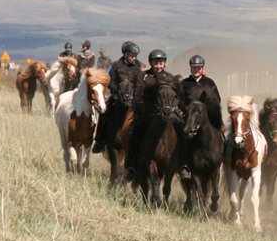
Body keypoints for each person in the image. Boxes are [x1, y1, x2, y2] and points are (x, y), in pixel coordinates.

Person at [124, 49, 179, 180]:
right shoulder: (144, 76)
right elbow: (138, 94)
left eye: (161, 63)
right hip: (146, 113)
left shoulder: (169, 77)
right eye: (155, 63)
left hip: (167, 112)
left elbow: (176, 95)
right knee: (134, 133)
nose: (158, 66)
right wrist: (140, 107)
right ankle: (131, 166)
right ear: (151, 63)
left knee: (182, 129)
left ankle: (182, 164)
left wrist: (174, 107)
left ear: (164, 64)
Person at [92, 41, 142, 155]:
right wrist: (118, 90)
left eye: (135, 56)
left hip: (133, 98)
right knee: (104, 114)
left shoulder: (137, 65)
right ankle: (99, 141)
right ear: (125, 54)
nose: (134, 58)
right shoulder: (115, 65)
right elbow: (109, 81)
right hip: (117, 97)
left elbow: (139, 81)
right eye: (132, 55)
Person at [178, 54, 223, 179]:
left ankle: (223, 158)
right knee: (181, 136)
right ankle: (185, 165)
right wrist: (188, 110)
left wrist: (208, 110)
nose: (196, 69)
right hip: (189, 116)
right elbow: (179, 100)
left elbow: (217, 99)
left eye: (198, 67)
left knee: (223, 133)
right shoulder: (184, 83)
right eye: (194, 67)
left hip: (207, 117)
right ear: (190, 67)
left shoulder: (209, 83)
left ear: (202, 68)